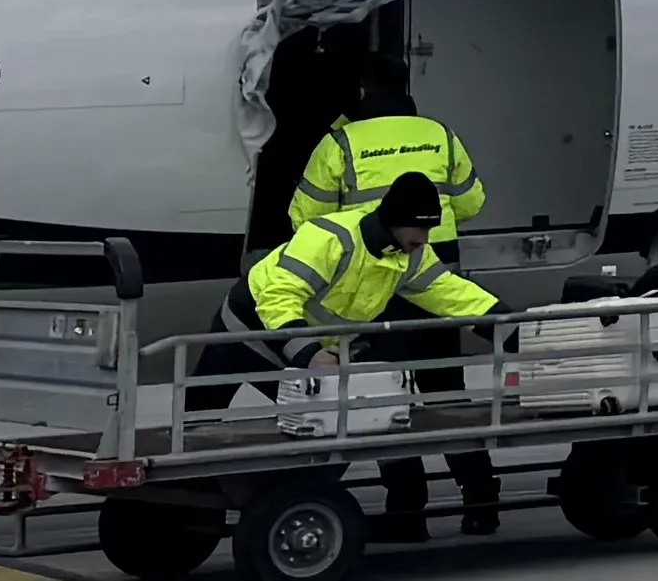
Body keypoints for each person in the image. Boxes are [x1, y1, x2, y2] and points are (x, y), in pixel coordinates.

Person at [189, 173, 507, 538]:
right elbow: (278, 296)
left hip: (307, 346)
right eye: (419, 231)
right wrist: (307, 353)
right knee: (195, 420)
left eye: (430, 231)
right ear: (393, 222)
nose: (424, 240)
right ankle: (198, 506)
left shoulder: (407, 254)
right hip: (244, 333)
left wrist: (508, 326)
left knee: (342, 423)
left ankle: (372, 512)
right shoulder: (329, 238)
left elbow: (450, 293)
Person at [289, 66, 488, 253]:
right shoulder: (441, 134)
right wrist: (427, 227)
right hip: (438, 255)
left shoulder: (341, 142)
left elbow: (308, 217)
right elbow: (470, 204)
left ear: (362, 91)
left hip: (368, 260)